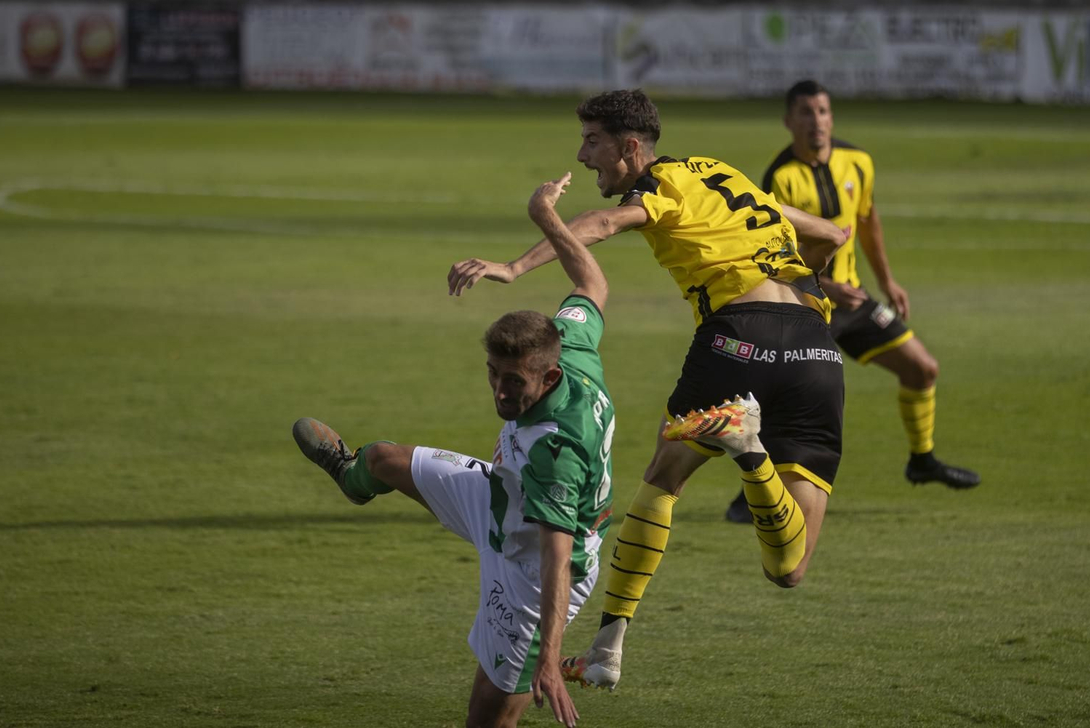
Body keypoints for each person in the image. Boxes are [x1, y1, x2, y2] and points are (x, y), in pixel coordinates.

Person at [448, 89, 851, 692]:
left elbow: (603, 224)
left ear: (631, 148)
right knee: (789, 566)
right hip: (815, 347)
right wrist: (806, 275)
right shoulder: (722, 174)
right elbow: (834, 234)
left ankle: (609, 643)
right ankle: (752, 453)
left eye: (592, 143)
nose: (584, 158)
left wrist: (516, 264)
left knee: (664, 477)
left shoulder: (659, 186)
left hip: (736, 338)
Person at [295, 172, 612, 728]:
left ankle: (538, 662)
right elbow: (591, 281)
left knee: (486, 718)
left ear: (548, 375)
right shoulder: (574, 346)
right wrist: (540, 228)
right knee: (381, 460)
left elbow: (557, 557)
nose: (499, 391)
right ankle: (351, 479)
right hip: (500, 493)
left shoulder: (556, 451)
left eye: (513, 382)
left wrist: (548, 656)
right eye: (493, 374)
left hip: (531, 566)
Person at [721, 81, 978, 524]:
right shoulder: (781, 177)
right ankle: (751, 493)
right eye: (805, 112)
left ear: (832, 117)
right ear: (789, 122)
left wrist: (888, 280)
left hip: (855, 301)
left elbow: (868, 220)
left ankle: (922, 459)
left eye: (822, 111)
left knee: (923, 369)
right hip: (807, 306)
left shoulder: (858, 162)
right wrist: (826, 284)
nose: (816, 121)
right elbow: (774, 251)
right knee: (781, 399)